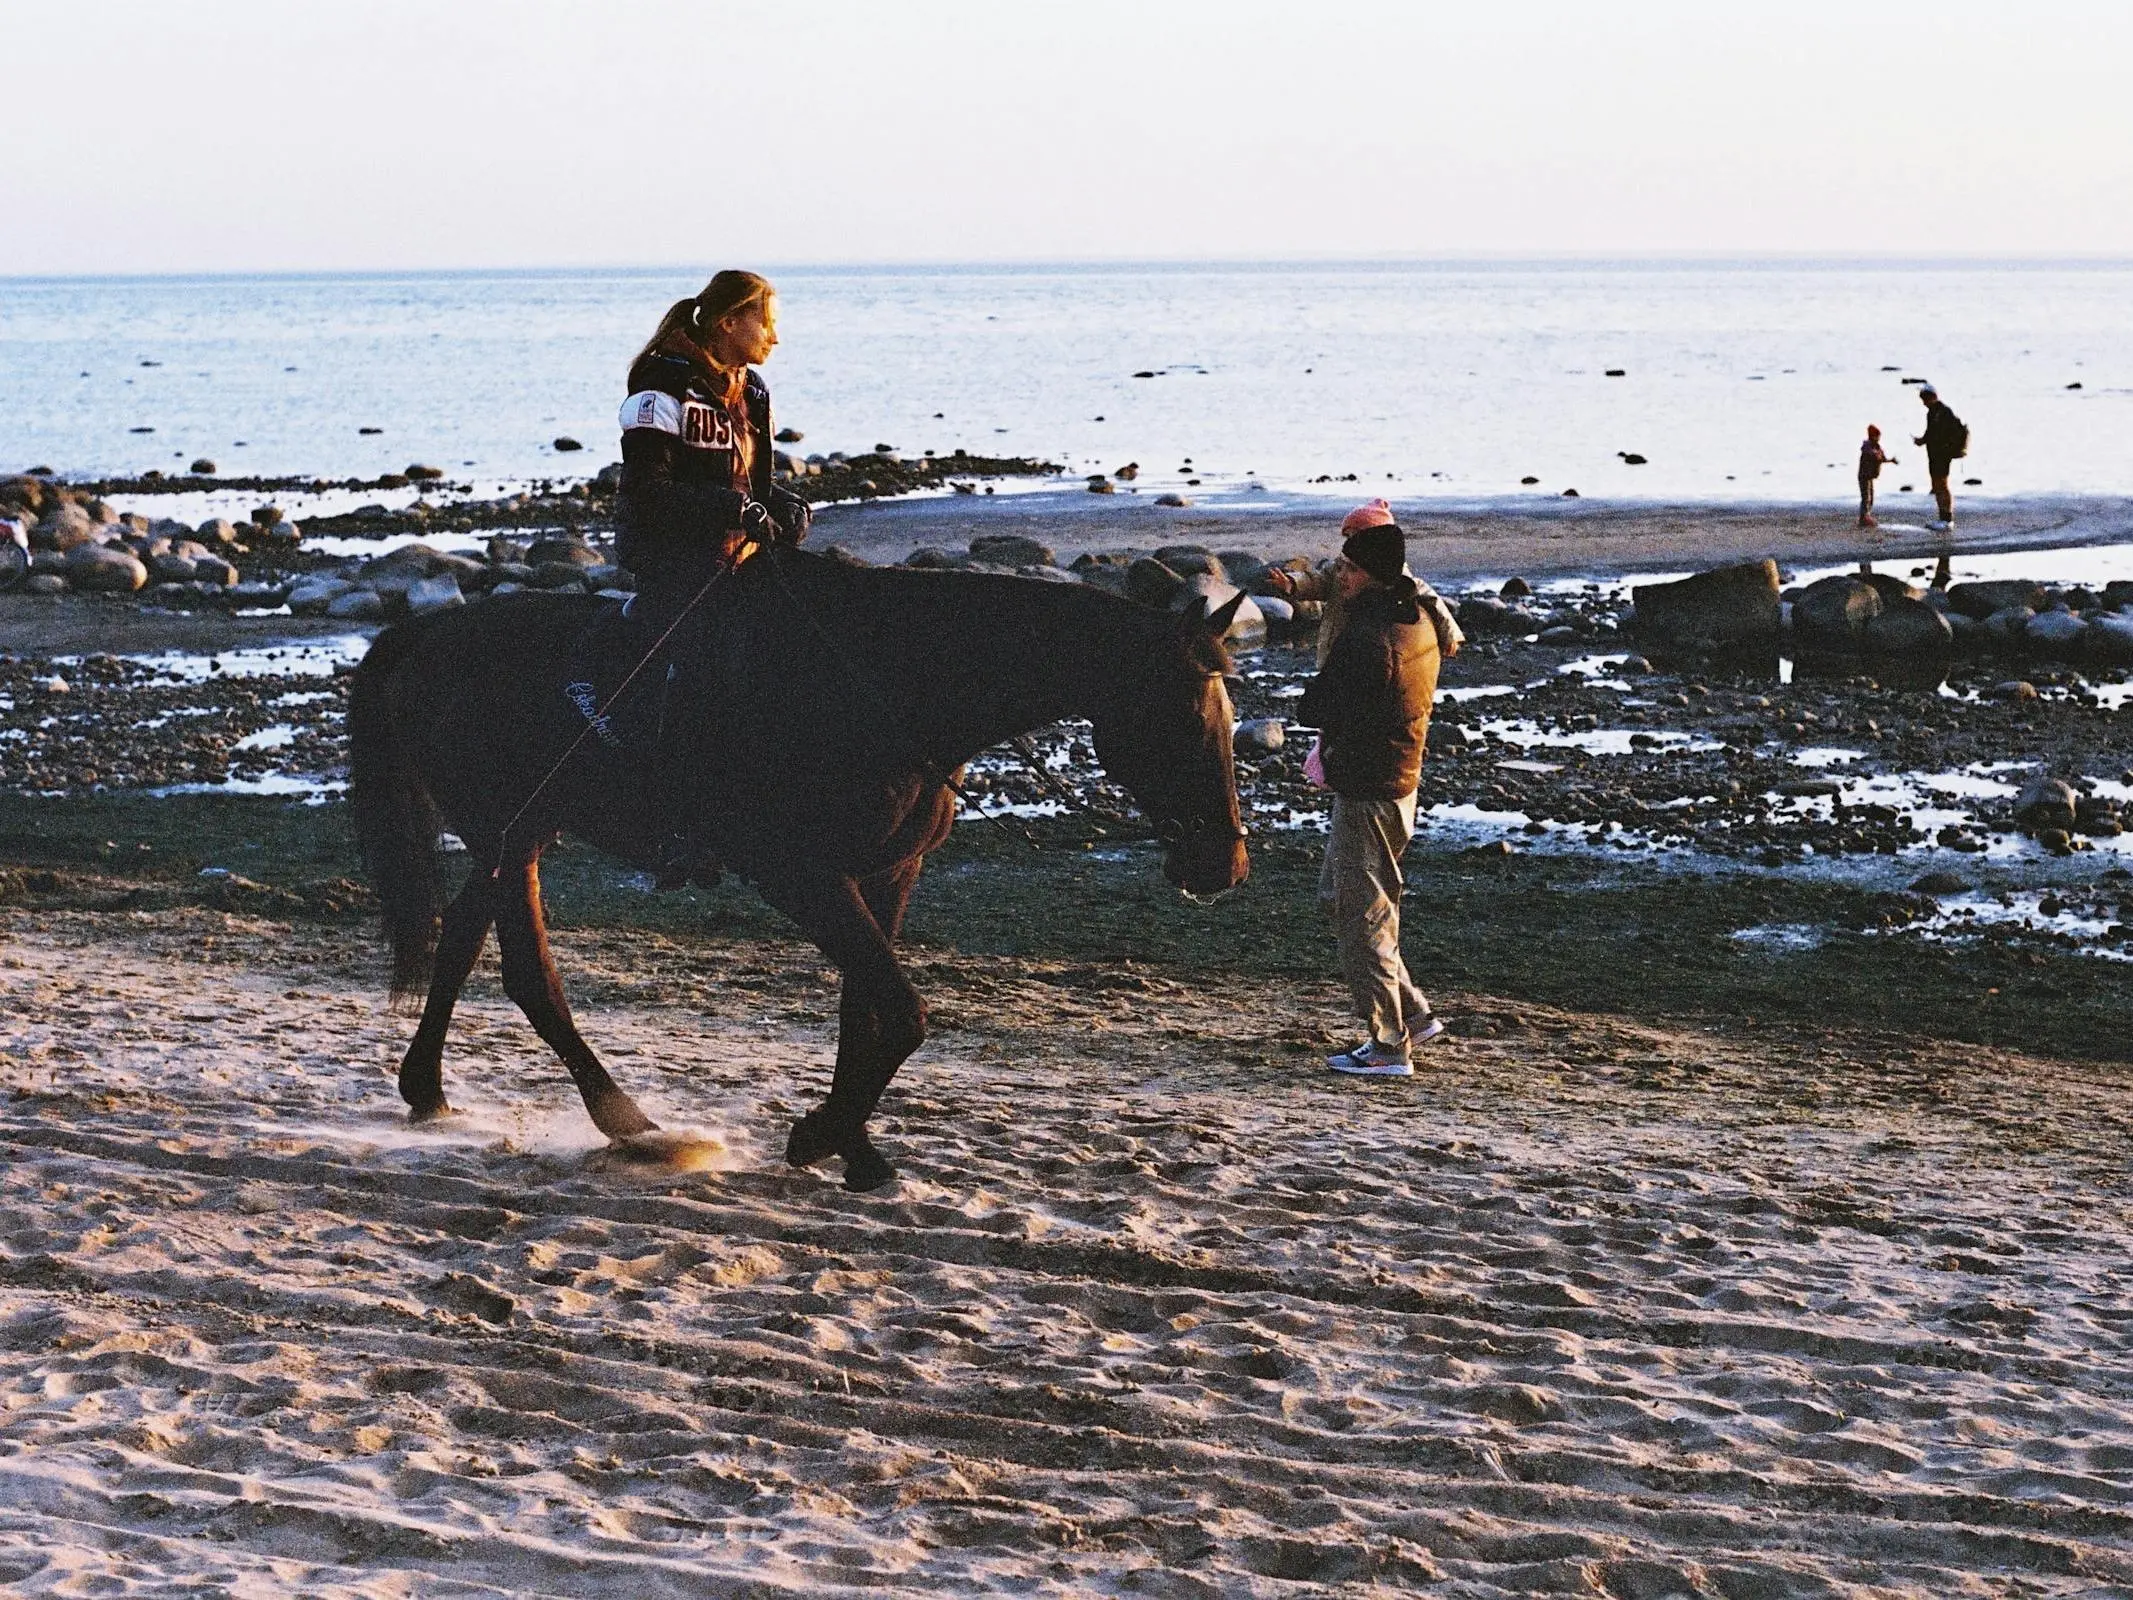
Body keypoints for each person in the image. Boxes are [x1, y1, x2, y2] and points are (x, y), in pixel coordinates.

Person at [614, 270, 812, 884]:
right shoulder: (660, 385)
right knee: (702, 669)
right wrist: (729, 511)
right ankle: (676, 826)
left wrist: (780, 503)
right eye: (767, 323)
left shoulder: (750, 390)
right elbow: (648, 492)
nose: (774, 337)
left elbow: (746, 482)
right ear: (730, 323)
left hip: (740, 560)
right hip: (675, 562)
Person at [1295, 514, 1445, 1077]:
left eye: (1350, 568)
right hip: (1395, 777)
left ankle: (1388, 1046)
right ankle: (1413, 1014)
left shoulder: (1369, 638)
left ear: (1372, 574)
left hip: (1369, 788)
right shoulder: (1416, 617)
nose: (1343, 576)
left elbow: (1318, 707)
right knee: (1344, 897)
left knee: (1364, 917)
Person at [1260, 500, 1464, 666]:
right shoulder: (1341, 565)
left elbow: (1431, 599)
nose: (1350, 542)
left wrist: (1450, 634)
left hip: (1368, 652)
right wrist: (1293, 584)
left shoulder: (1395, 575)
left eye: (1355, 535)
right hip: (1335, 642)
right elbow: (1320, 580)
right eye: (1348, 537)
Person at [1911, 383, 1966, 532]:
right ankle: (1942, 517)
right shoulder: (1932, 412)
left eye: (1925, 399)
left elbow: (1951, 433)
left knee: (1942, 485)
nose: (1924, 402)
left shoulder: (1944, 412)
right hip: (1934, 454)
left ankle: (1947, 519)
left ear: (1933, 397)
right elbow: (1930, 433)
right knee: (1937, 485)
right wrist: (1921, 441)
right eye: (1923, 399)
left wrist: (1948, 449)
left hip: (1942, 454)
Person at [1856, 424, 1894, 529]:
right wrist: (1878, 455)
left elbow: (1882, 458)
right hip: (1864, 475)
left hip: (1870, 476)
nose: (1878, 438)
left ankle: (1867, 515)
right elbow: (1872, 454)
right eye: (1877, 436)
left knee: (1871, 496)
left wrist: (1891, 460)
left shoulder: (1877, 447)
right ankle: (1864, 517)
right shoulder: (1867, 446)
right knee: (1866, 497)